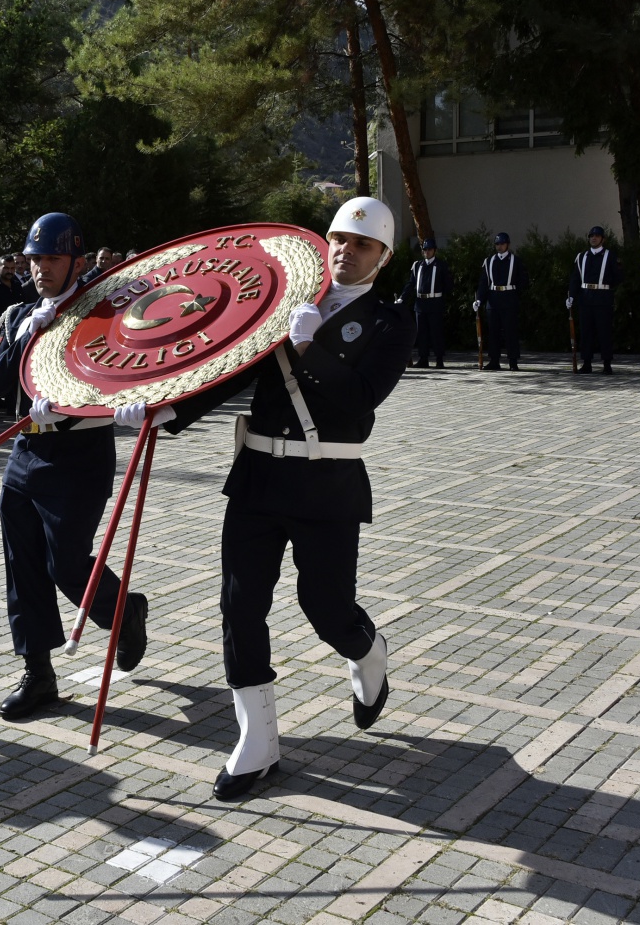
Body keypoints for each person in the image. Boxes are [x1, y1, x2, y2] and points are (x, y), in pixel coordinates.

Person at [121, 196, 413, 801]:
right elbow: (232, 363)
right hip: (257, 475)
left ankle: (370, 651)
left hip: (327, 483)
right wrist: (168, 410)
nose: (345, 250)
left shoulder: (391, 320)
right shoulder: (291, 300)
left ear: (382, 256)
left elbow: (358, 398)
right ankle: (257, 743)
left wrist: (313, 349)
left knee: (325, 609)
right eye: (338, 239)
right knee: (239, 604)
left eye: (361, 244)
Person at [0, 212, 148, 722]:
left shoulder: (102, 316)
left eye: (51, 259)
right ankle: (38, 673)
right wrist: (22, 339)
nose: (41, 269)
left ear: (76, 259)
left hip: (79, 455)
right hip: (26, 453)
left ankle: (124, 614)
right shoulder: (18, 315)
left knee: (67, 564)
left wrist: (73, 409)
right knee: (22, 565)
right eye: (35, 260)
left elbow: (116, 376)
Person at [567, 225, 623, 374]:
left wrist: (607, 287)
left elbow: (617, 276)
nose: (594, 238)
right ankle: (587, 363)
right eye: (591, 236)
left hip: (603, 298)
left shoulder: (610, 256)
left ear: (602, 239)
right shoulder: (581, 257)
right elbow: (575, 279)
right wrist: (571, 296)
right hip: (585, 298)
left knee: (604, 331)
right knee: (586, 332)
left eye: (597, 236)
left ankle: (607, 363)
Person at [474, 232, 529, 371]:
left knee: (511, 331)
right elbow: (484, 283)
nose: (499, 246)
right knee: (493, 332)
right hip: (493, 299)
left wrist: (515, 294)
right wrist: (479, 299)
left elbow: (523, 280)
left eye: (502, 243)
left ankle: (513, 361)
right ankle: (494, 360)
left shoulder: (515, 260)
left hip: (509, 298)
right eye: (497, 244)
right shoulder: (489, 261)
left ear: (508, 244)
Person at [399, 238, 450, 368]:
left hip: (435, 302)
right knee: (422, 333)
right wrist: (402, 298)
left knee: (436, 332)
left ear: (435, 250)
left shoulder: (441, 265)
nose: (427, 252)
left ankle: (439, 359)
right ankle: (423, 359)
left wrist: (443, 300)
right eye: (425, 249)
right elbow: (411, 284)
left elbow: (448, 285)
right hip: (420, 303)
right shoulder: (417, 265)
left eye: (430, 249)